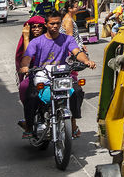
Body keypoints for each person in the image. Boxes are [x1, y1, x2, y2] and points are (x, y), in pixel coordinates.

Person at [18, 11, 96, 139]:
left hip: (62, 75)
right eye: (52, 23)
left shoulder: (67, 39)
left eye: (57, 23)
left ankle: (73, 121)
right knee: (31, 96)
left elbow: (77, 52)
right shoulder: (37, 42)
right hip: (41, 75)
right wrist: (25, 66)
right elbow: (27, 56)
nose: (55, 26)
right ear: (46, 24)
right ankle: (30, 127)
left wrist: (86, 60)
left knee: (77, 91)